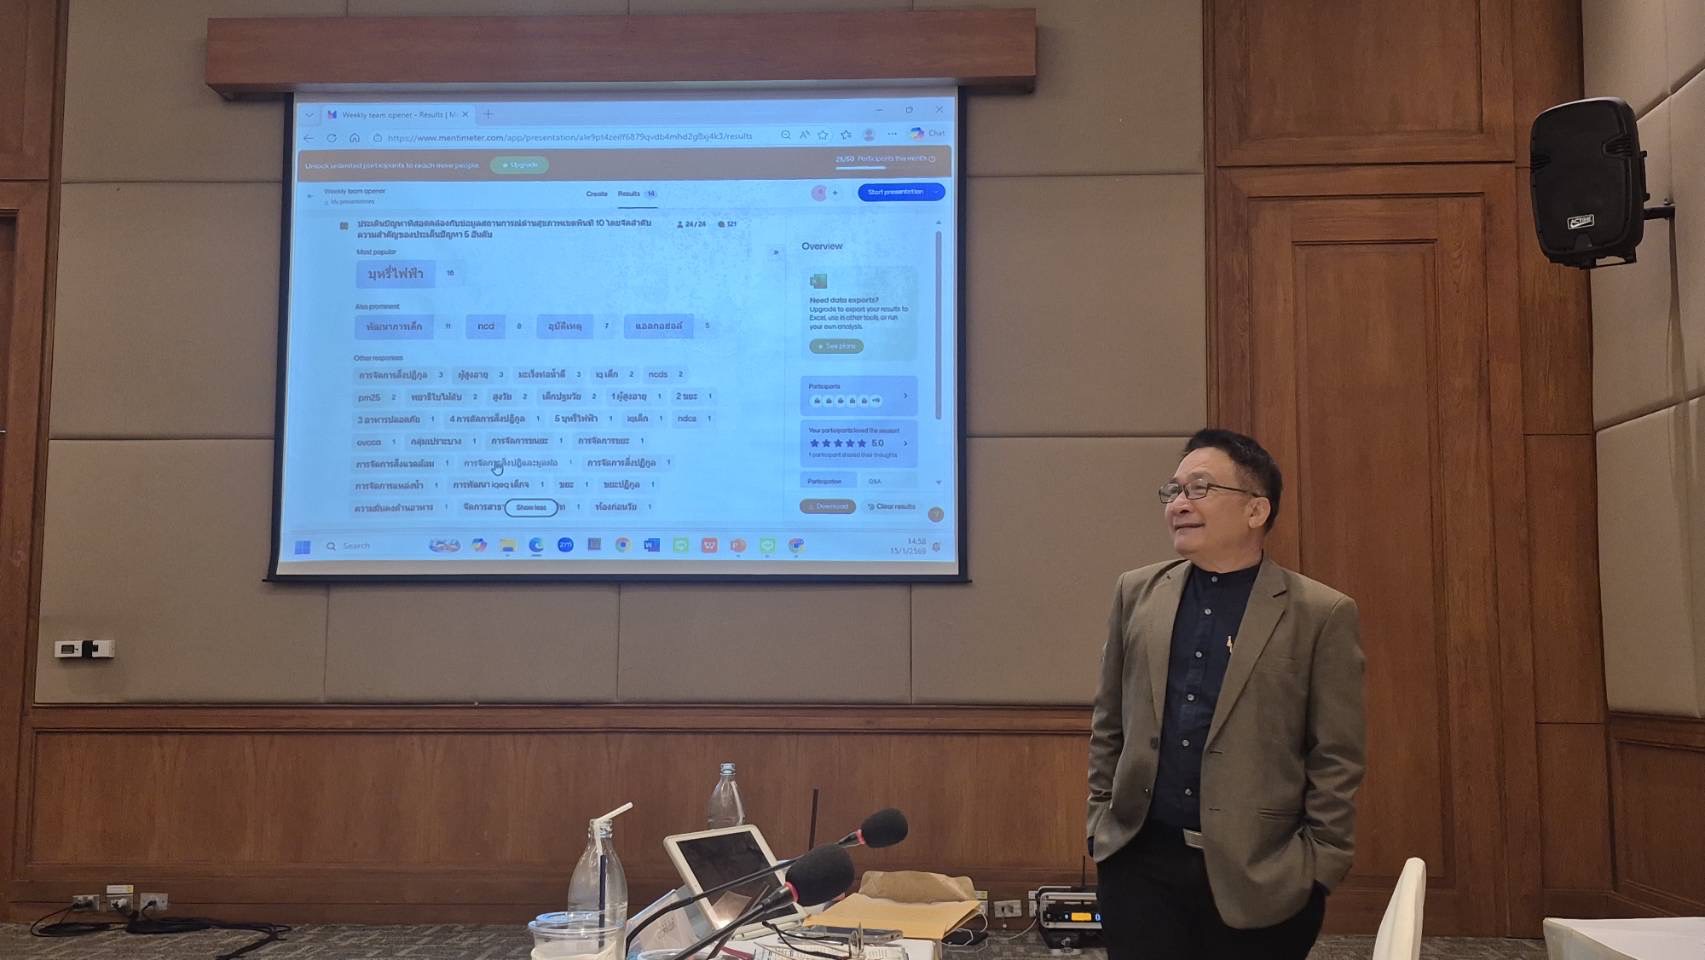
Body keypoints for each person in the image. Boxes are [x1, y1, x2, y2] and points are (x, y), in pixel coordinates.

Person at [1086, 428, 1365, 960]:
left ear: (1256, 510)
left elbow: (1337, 754)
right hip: (1139, 866)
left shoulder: (1321, 613)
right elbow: (1110, 721)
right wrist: (1101, 828)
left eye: (1200, 488)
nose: (1179, 504)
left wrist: (1320, 866)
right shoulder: (1137, 593)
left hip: (1263, 875)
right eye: (1173, 491)